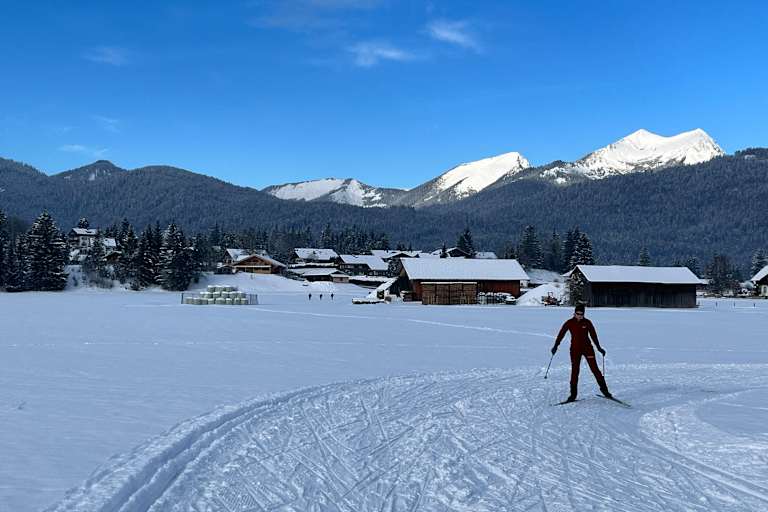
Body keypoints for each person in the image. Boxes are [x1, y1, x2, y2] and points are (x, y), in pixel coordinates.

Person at [551, 304, 611, 402]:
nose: (579, 316)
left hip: (588, 349)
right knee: (575, 371)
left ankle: (605, 392)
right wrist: (555, 346)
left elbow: (593, 336)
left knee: (595, 370)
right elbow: (561, 334)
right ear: (574, 313)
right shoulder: (569, 323)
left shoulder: (587, 322)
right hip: (575, 350)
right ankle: (573, 395)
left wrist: (599, 348)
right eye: (577, 314)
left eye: (581, 314)